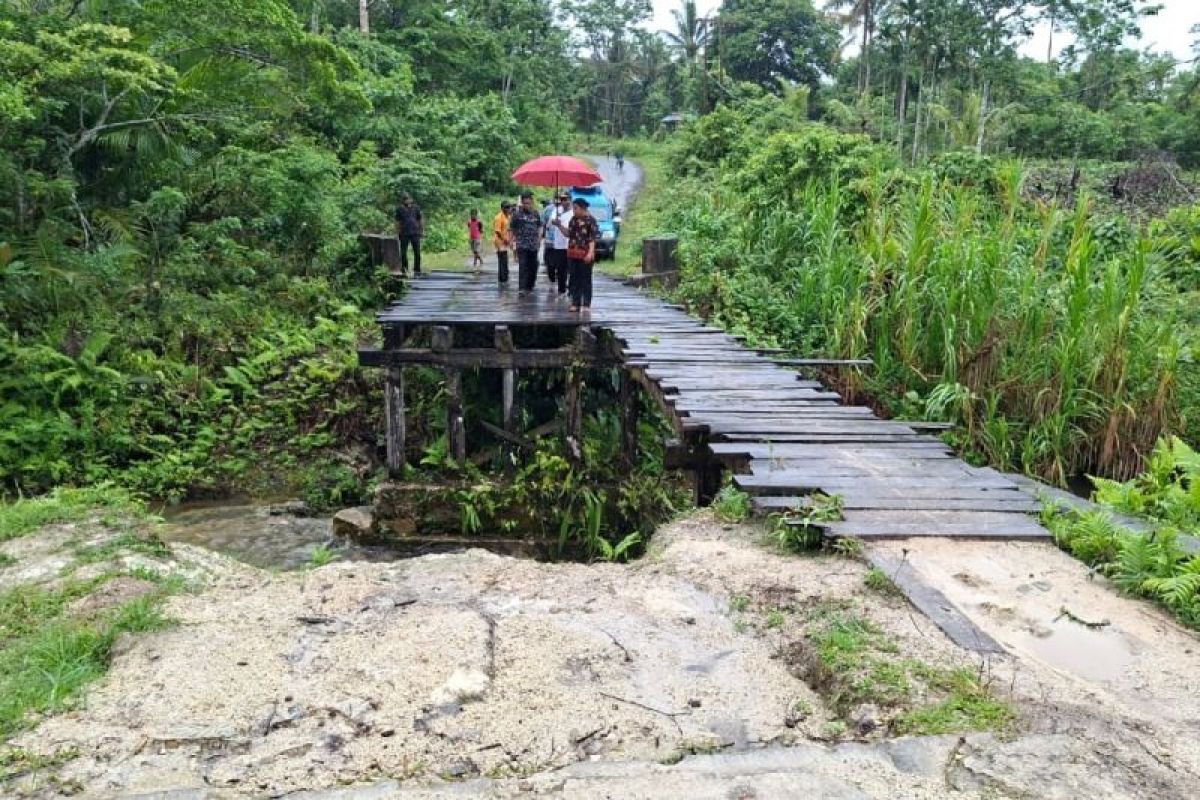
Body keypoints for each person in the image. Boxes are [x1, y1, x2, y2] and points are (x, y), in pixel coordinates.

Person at [560, 197, 598, 312]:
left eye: (575, 208)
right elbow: (568, 234)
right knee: (574, 279)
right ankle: (575, 303)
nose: (574, 211)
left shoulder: (591, 220)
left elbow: (592, 239)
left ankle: (586, 304)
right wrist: (559, 226)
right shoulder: (573, 220)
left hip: (585, 253)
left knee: (585, 279)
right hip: (572, 254)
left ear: (582, 208)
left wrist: (590, 253)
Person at [509, 192, 543, 295]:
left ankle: (530, 285)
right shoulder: (517, 215)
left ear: (532, 203)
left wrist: (539, 238)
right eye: (525, 203)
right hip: (522, 244)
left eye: (528, 203)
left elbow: (540, 226)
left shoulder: (536, 213)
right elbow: (512, 228)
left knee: (533, 265)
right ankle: (522, 288)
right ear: (522, 203)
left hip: (533, 245)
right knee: (523, 265)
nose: (527, 205)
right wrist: (511, 240)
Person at [547, 192, 573, 296]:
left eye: (566, 199)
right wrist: (557, 220)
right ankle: (561, 290)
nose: (564, 202)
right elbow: (552, 221)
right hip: (558, 245)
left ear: (570, 200)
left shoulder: (573, 212)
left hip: (570, 244)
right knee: (561, 269)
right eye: (562, 199)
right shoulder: (556, 210)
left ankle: (571, 289)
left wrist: (560, 223)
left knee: (571, 269)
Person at [395, 194, 423, 275]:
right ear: (403, 200)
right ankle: (404, 268)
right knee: (403, 252)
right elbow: (397, 221)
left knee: (417, 252)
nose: (408, 200)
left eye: (409, 199)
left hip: (415, 232)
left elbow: (420, 219)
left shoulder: (416, 208)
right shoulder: (399, 209)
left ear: (411, 199)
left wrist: (421, 230)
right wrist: (397, 231)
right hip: (404, 233)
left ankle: (417, 269)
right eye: (406, 199)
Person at [492, 200, 512, 284]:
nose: (508, 209)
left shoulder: (508, 216)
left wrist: (509, 239)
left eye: (508, 207)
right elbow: (497, 231)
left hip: (505, 241)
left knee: (504, 259)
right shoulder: (498, 217)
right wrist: (504, 239)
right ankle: (503, 278)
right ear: (502, 208)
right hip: (499, 241)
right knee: (502, 259)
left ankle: (504, 276)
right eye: (506, 207)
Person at [540, 198, 556, 284]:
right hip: (550, 239)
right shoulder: (548, 209)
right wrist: (541, 235)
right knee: (550, 261)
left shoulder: (568, 210)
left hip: (563, 242)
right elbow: (542, 223)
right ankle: (551, 276)